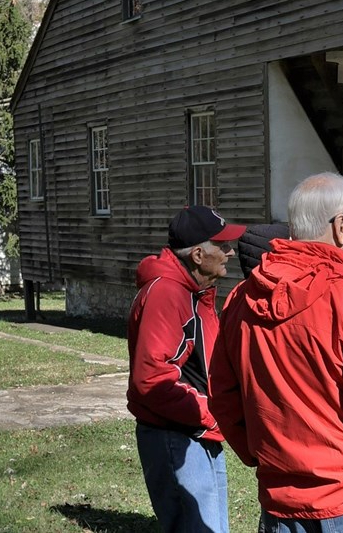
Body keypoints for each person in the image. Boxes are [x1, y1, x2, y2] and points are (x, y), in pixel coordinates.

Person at [209, 172, 343, 533]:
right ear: (342, 227)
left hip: (282, 496)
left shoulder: (239, 301)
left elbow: (224, 399)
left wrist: (258, 455)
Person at [127, 204, 245, 533]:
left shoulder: (197, 293)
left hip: (197, 431)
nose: (230, 252)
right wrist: (213, 413)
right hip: (176, 437)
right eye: (222, 246)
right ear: (197, 254)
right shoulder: (167, 294)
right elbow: (152, 380)